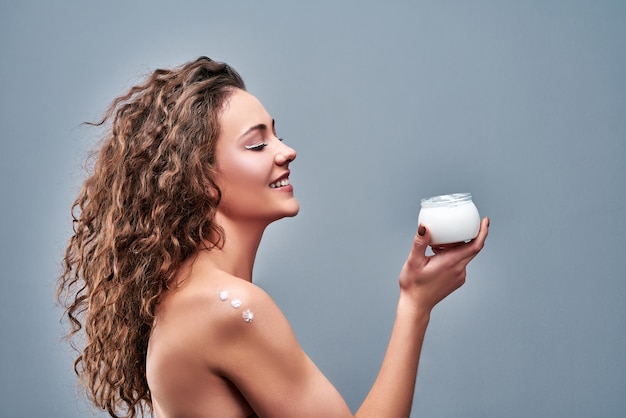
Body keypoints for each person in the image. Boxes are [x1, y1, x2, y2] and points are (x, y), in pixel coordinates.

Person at [57, 56, 490, 418]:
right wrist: (414, 305)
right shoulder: (227, 309)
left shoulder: (187, 296)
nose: (287, 151)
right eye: (257, 144)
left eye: (276, 134)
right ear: (200, 178)